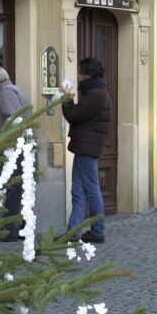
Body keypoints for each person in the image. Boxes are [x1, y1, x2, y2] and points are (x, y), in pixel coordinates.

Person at [62, 57, 112, 243]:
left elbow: (74, 115)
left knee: (91, 189)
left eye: (79, 72)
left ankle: (97, 230)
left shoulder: (96, 95)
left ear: (87, 74)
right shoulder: (97, 92)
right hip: (86, 146)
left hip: (87, 148)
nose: (77, 75)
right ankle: (73, 231)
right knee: (78, 190)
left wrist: (66, 97)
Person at [0, 65, 29, 242]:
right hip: (21, 147)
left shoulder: (5, 93)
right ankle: (21, 228)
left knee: (13, 189)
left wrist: (2, 140)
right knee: (19, 189)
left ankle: (10, 230)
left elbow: (14, 120)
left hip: (14, 148)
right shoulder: (15, 89)